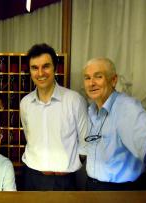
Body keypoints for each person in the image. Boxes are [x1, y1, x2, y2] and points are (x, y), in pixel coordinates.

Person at [82, 57, 146, 202]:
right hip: (91, 188)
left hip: (119, 193)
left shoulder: (127, 108)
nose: (91, 83)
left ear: (113, 80)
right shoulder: (91, 111)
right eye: (87, 78)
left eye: (98, 76)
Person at [20, 43, 88, 190]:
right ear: (30, 71)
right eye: (34, 68)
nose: (40, 73)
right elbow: (29, 136)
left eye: (46, 66)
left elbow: (85, 141)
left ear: (55, 68)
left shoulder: (74, 100)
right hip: (31, 176)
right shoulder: (25, 103)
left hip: (63, 181)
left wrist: (71, 164)